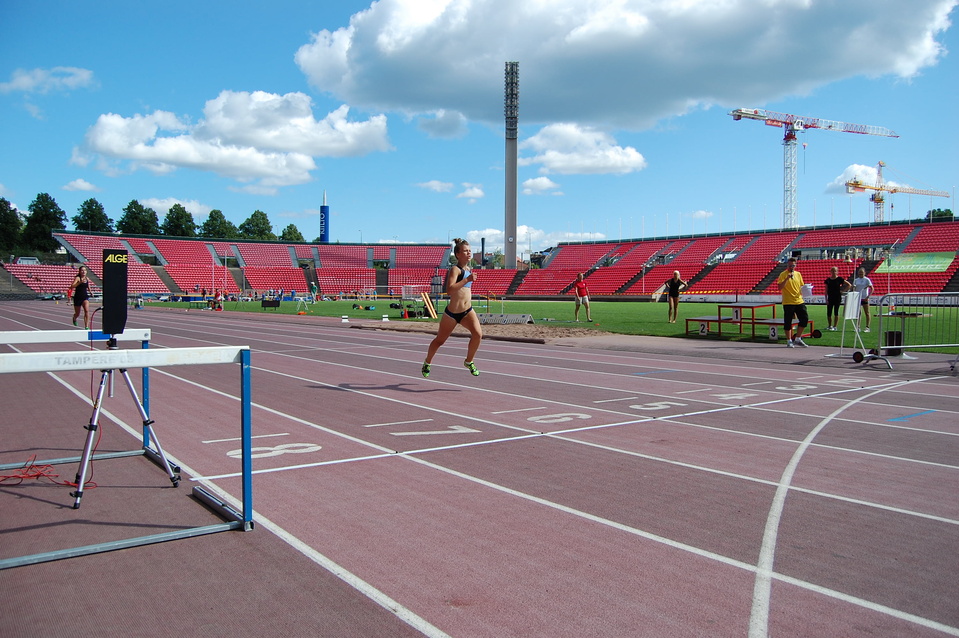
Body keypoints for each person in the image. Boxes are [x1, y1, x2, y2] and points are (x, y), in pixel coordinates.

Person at [421, 238, 483, 378]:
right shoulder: (455, 270)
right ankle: (427, 362)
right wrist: (467, 280)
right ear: (458, 254)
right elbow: (449, 290)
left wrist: (468, 279)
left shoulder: (469, 270)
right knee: (440, 341)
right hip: (452, 314)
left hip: (467, 311)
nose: (469, 253)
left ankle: (469, 361)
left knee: (478, 335)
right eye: (465, 251)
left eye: (470, 251)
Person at [776, 257, 808, 348]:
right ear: (787, 265)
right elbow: (779, 287)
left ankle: (798, 338)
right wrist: (787, 279)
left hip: (799, 300)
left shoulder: (798, 274)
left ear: (795, 265)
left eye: (793, 265)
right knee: (788, 321)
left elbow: (801, 286)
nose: (791, 267)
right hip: (788, 302)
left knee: (804, 319)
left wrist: (806, 289)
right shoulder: (783, 274)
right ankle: (789, 340)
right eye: (790, 266)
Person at [823, 266, 851, 331]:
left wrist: (843, 291)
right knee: (829, 312)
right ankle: (829, 325)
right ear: (830, 272)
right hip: (830, 297)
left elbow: (849, 285)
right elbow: (826, 290)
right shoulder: (828, 280)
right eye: (832, 271)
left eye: (835, 271)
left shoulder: (839, 279)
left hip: (837, 297)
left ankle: (835, 326)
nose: (833, 272)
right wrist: (826, 299)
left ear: (837, 272)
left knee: (836, 312)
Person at [852, 267, 875, 332]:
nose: (861, 274)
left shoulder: (867, 280)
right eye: (860, 273)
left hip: (864, 298)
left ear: (864, 273)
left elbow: (872, 288)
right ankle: (858, 327)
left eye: (862, 273)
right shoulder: (856, 280)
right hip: (858, 298)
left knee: (867, 312)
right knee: (858, 313)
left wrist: (868, 296)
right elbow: (854, 288)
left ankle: (867, 327)